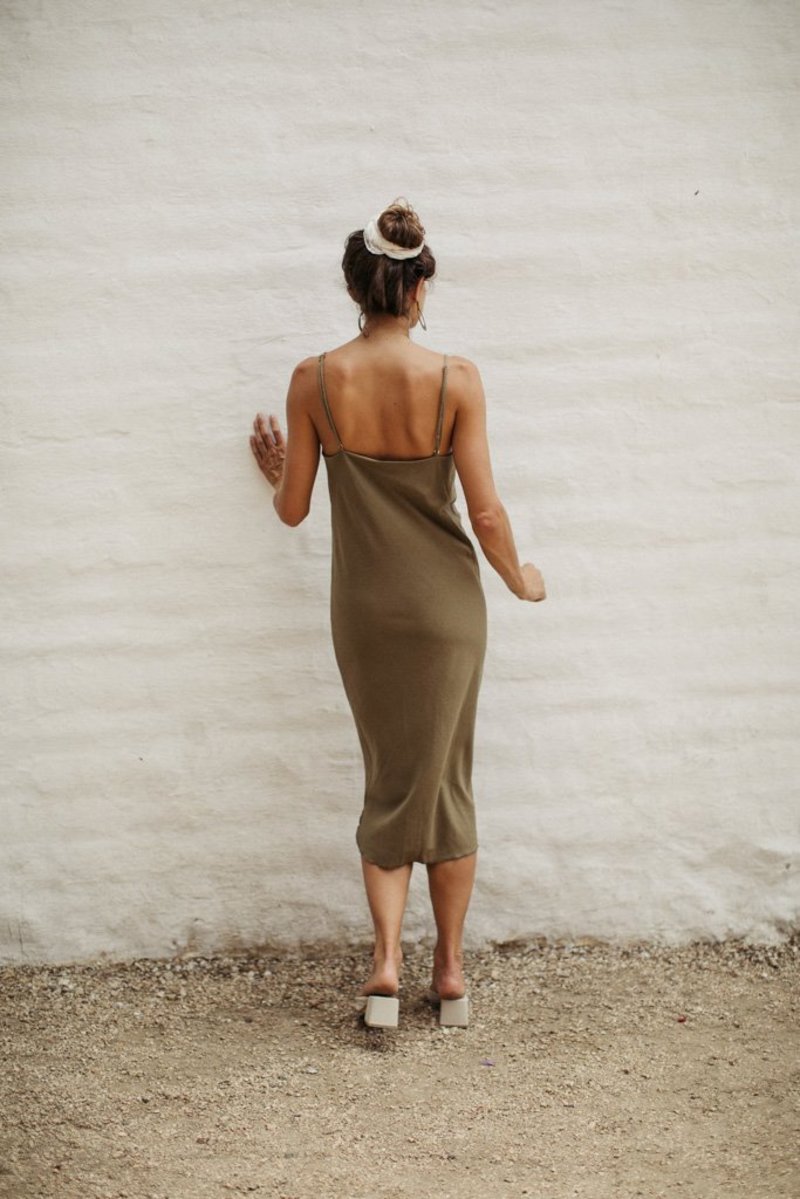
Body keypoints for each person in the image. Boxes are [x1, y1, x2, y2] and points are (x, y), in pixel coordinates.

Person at [250, 199, 546, 1028]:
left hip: (365, 612)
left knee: (388, 777)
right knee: (447, 780)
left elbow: (294, 510)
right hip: (448, 609)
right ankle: (449, 973)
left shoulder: (314, 380)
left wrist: (278, 473)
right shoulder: (456, 379)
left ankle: (385, 964)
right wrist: (520, 579)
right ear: (419, 289)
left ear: (356, 288)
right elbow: (485, 514)